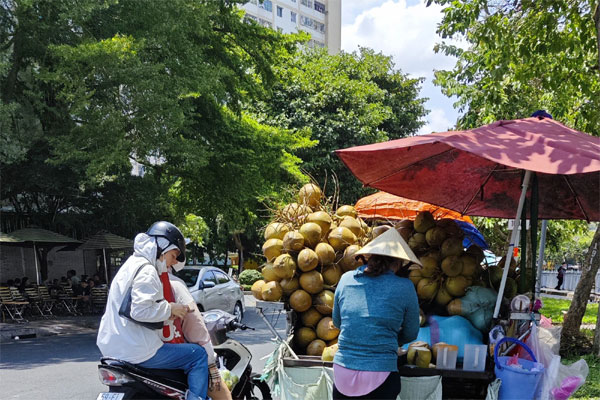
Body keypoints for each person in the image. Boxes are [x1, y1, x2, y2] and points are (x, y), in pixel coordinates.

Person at [97, 221, 209, 400]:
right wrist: (171, 308)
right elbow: (140, 311)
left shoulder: (130, 265)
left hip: (112, 348)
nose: (172, 263)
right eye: (173, 255)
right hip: (137, 349)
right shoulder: (147, 270)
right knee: (198, 355)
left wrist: (167, 311)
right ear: (163, 247)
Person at [332, 228, 421, 400]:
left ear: (369, 257)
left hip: (343, 371)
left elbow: (337, 322)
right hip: (382, 373)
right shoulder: (405, 287)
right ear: (397, 263)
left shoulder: (346, 279)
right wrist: (389, 339)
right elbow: (411, 332)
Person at [167, 265, 233, 400]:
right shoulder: (174, 284)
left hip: (128, 357)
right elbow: (196, 327)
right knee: (224, 396)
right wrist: (211, 362)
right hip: (171, 355)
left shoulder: (131, 280)